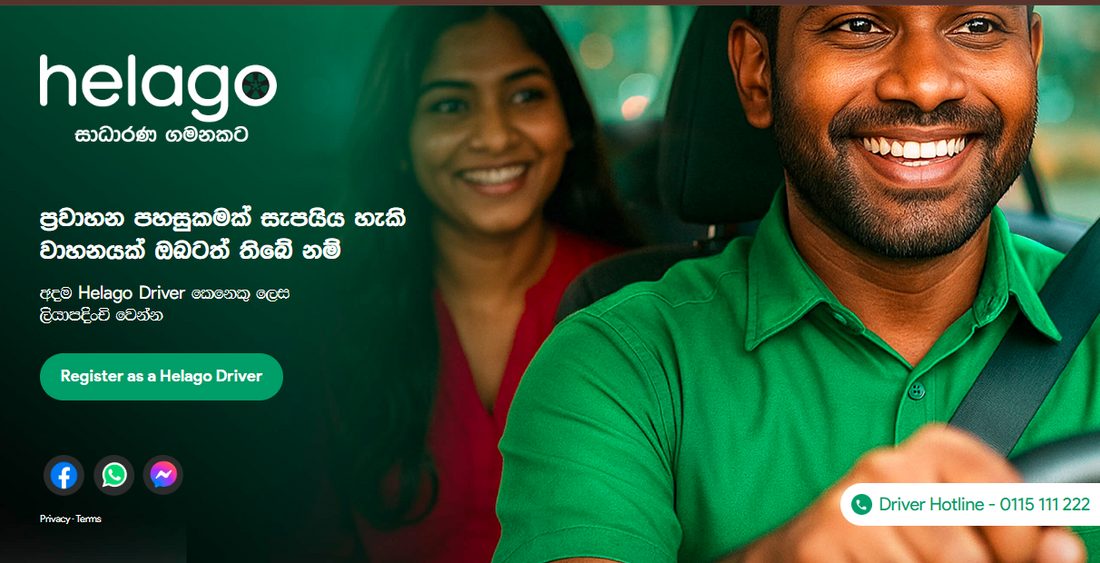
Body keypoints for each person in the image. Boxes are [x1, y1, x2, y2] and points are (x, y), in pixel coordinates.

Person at [494, 6, 1100, 563]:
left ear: (1031, 57)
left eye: (978, 26)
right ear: (758, 73)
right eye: (857, 25)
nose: (924, 84)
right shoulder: (618, 366)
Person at [320, 6, 637, 562]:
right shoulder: (326, 319)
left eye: (525, 96)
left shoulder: (644, 304)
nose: (494, 136)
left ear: (569, 122)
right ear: (399, 142)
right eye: (450, 105)